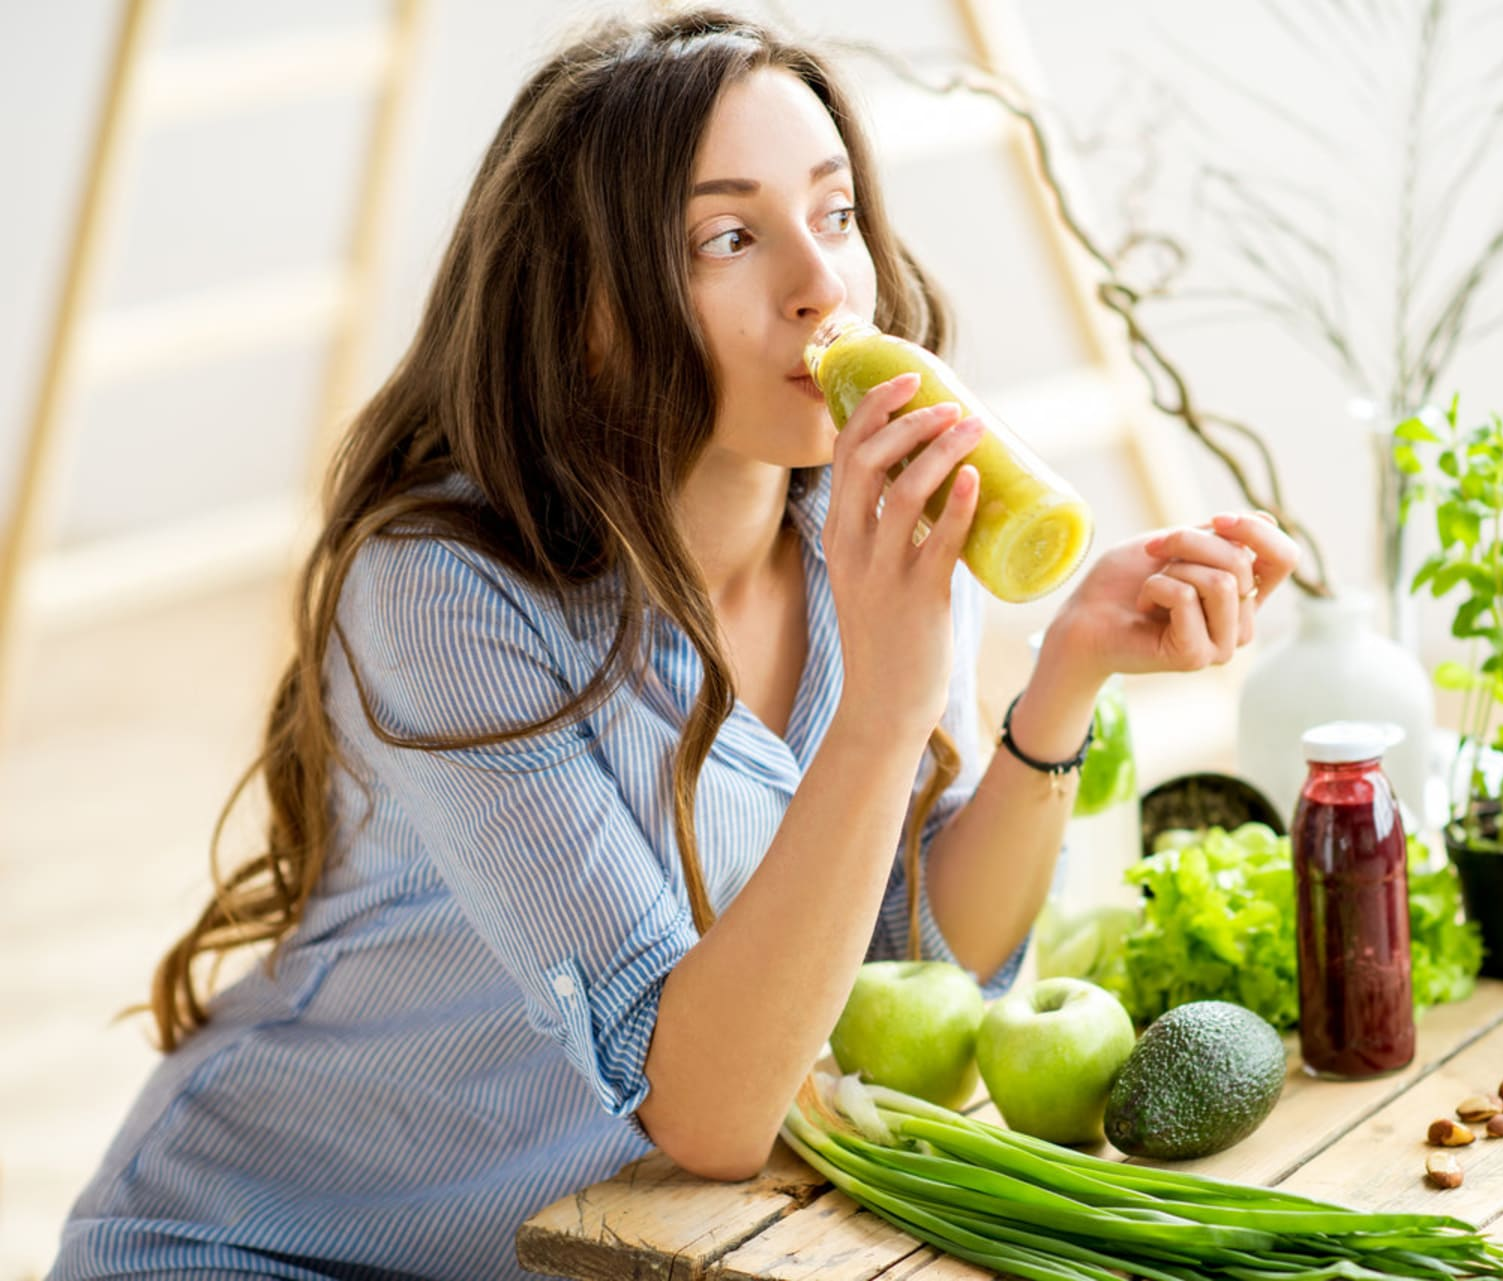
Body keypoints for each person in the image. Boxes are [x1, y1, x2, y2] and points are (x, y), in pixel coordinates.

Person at [48, 10, 1296, 1280]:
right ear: (593, 310)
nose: (821, 284)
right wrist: (885, 701)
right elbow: (705, 1111)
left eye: (837, 211)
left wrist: (1064, 677)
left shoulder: (858, 532)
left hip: (589, 1252)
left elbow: (909, 970)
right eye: (730, 238)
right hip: (272, 1247)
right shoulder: (444, 598)